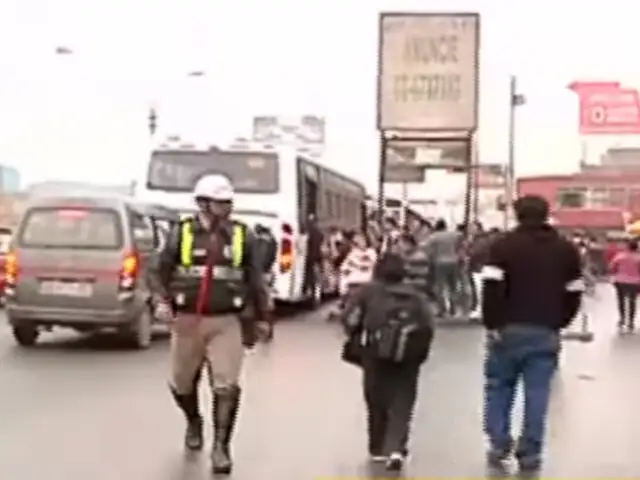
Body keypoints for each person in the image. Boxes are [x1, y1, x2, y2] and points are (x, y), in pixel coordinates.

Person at [147, 174, 268, 475]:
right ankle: (193, 421)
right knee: (181, 382)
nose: (226, 208)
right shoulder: (181, 234)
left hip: (226, 321)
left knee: (226, 386)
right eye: (219, 203)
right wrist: (161, 301)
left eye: (228, 202)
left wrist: (263, 317)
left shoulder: (243, 236)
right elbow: (156, 271)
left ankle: (221, 447)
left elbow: (256, 280)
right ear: (202, 203)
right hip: (187, 320)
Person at [482, 195, 583, 473]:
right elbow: (574, 290)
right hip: (545, 329)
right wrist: (560, 321)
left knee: (499, 386)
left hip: (507, 328)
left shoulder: (502, 247)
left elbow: (491, 289)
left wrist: (492, 324)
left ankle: (500, 441)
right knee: (537, 393)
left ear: (516, 214)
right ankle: (530, 453)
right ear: (546, 214)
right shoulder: (565, 249)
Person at [339, 253, 434, 471]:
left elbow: (350, 319)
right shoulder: (416, 296)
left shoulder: (367, 291)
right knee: (403, 401)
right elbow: (428, 325)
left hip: (375, 353)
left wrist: (355, 335)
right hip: (408, 357)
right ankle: (396, 446)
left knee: (376, 399)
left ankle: (377, 446)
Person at [424, 218, 463, 317]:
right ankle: (453, 309)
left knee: (439, 287)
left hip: (440, 263)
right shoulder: (454, 235)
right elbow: (461, 243)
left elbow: (427, 249)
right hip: (454, 262)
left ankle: (442, 309)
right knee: (453, 286)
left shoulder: (434, 237)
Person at [609, 237, 640, 332]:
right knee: (632, 301)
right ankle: (630, 322)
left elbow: (612, 267)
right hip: (635, 282)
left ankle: (622, 319)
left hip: (620, 281)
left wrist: (616, 274)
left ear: (627, 247)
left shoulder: (619, 256)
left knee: (621, 300)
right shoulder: (638, 258)